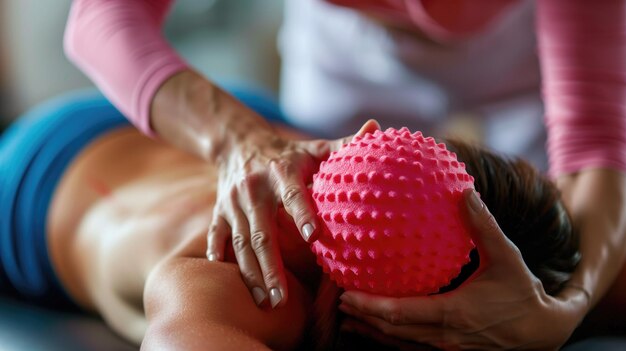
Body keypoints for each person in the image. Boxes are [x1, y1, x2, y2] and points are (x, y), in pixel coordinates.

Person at [63, 1, 626, 348]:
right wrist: (243, 142)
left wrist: (563, 310)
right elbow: (100, 17)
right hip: (70, 151)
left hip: (254, 124)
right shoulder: (240, 283)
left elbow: (596, 146)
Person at [0, 90, 589, 350]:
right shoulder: (246, 280)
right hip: (39, 169)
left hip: (253, 111)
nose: (366, 136)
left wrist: (562, 312)